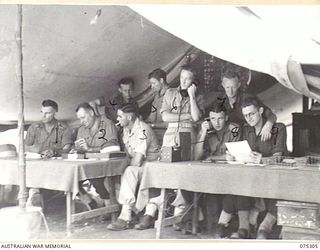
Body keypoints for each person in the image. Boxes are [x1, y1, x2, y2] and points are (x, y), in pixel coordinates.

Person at [134, 65, 204, 231]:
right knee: (161, 171)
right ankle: (150, 212)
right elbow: (165, 116)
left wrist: (192, 97)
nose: (183, 81)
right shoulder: (170, 93)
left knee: (183, 174)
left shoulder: (198, 96)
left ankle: (178, 214)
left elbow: (197, 117)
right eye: (181, 78)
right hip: (170, 136)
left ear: (193, 81)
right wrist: (186, 117)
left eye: (187, 79)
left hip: (188, 136)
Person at [217, 96, 287, 239]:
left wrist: (263, 159)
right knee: (236, 186)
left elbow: (279, 158)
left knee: (280, 194)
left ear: (261, 111)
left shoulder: (278, 128)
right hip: (252, 177)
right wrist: (232, 156)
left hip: (273, 177)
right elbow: (240, 151)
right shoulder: (245, 129)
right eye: (245, 115)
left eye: (252, 114)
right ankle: (243, 228)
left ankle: (263, 229)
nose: (248, 118)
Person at [107, 103, 160, 231]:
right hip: (141, 166)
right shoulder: (126, 129)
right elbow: (127, 153)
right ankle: (127, 214)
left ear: (129, 117)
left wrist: (123, 166)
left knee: (129, 171)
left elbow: (136, 161)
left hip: (153, 166)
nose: (117, 119)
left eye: (120, 116)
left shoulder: (143, 129)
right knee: (124, 171)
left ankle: (126, 215)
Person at [206, 68, 277, 142]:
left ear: (238, 85)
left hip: (252, 137)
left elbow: (272, 116)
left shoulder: (249, 98)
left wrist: (268, 125)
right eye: (227, 87)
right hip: (232, 138)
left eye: (233, 87)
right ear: (223, 85)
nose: (230, 91)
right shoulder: (219, 101)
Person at [25, 99, 73, 206]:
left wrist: (55, 152)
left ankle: (35, 194)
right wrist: (38, 151)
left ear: (55, 112)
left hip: (57, 166)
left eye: (48, 113)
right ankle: (34, 194)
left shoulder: (64, 128)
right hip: (38, 165)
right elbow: (26, 147)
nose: (44, 116)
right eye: (42, 112)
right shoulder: (34, 127)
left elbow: (67, 149)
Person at [75, 102, 119, 209]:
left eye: (83, 118)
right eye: (79, 119)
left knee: (93, 175)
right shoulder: (81, 129)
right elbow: (79, 150)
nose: (82, 121)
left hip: (106, 164)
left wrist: (90, 149)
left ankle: (109, 205)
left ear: (91, 113)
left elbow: (113, 148)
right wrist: (78, 149)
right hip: (88, 162)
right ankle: (89, 201)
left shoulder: (107, 124)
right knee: (69, 177)